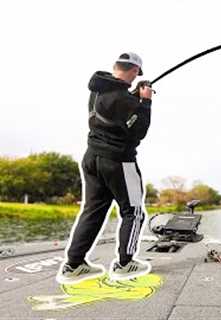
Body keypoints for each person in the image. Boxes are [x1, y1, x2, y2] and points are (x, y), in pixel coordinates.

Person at [56, 52, 154, 284]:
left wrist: (134, 97)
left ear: (115, 67)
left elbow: (115, 110)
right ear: (133, 71)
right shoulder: (124, 99)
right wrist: (146, 102)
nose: (134, 78)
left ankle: (73, 265)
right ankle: (124, 263)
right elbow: (137, 130)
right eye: (135, 75)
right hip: (119, 161)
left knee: (93, 211)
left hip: (92, 158)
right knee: (134, 211)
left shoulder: (98, 89)